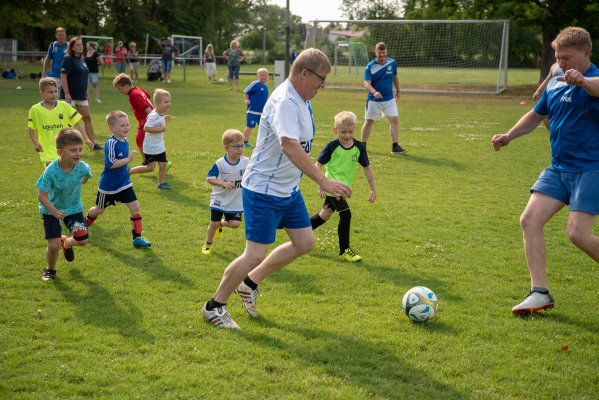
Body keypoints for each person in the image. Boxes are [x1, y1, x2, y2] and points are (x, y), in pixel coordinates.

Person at [201, 48, 352, 329]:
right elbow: (289, 145)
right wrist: (323, 180)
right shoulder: (285, 101)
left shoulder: (302, 99)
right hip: (263, 190)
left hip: (287, 190)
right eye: (321, 79)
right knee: (255, 254)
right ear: (305, 73)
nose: (323, 85)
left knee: (305, 243)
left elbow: (298, 146)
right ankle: (215, 306)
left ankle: (248, 284)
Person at [491, 26, 599, 315]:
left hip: (590, 169)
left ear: (586, 53)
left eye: (567, 58)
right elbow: (535, 115)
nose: (560, 63)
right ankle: (539, 292)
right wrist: (509, 136)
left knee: (577, 234)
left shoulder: (593, 80)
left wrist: (585, 83)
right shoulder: (554, 81)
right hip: (558, 169)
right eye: (557, 57)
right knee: (529, 220)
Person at [310, 111, 376, 262]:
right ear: (335, 130)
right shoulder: (332, 146)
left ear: (355, 129)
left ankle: (299, 232)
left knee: (324, 216)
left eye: (350, 131)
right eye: (343, 132)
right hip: (332, 188)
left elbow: (367, 168)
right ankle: (345, 250)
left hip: (343, 189)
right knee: (346, 215)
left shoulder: (359, 147)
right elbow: (317, 165)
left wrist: (373, 189)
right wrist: (322, 184)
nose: (347, 135)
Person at [85, 111, 152, 248]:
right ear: (112, 128)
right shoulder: (111, 143)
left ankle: (137, 238)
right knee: (99, 209)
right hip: (108, 186)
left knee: (135, 207)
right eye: (122, 125)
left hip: (124, 183)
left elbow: (121, 160)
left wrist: (127, 166)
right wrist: (127, 159)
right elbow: (111, 164)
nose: (126, 128)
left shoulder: (125, 140)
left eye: (127, 124)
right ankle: (83, 226)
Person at [36, 128, 92, 281]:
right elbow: (42, 196)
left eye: (80, 149)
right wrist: (54, 212)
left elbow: (86, 176)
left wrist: (81, 181)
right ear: (60, 152)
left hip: (73, 208)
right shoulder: (51, 171)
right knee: (53, 246)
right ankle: (50, 270)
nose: (78, 153)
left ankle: (66, 242)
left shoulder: (82, 167)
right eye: (73, 150)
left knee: (83, 240)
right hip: (51, 210)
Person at [201, 129, 249, 255]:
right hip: (219, 198)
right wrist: (223, 183)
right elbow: (210, 178)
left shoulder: (246, 162)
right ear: (226, 148)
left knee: (236, 224)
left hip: (235, 200)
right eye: (236, 146)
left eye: (242, 146)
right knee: (213, 223)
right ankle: (207, 244)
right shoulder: (220, 164)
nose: (240, 149)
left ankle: (221, 224)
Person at [28, 78, 93, 166]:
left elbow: (77, 123)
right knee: (53, 175)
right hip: (47, 150)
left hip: (65, 148)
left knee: (66, 175)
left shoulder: (64, 106)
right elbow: (31, 128)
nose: (54, 94)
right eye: (50, 92)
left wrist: (87, 139)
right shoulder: (35, 109)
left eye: (56, 91)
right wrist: (35, 142)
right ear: (41, 93)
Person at [361, 42, 406, 155]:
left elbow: (395, 77)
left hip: (389, 99)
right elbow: (366, 83)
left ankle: (395, 146)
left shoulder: (392, 63)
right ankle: (362, 145)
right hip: (374, 100)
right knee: (369, 121)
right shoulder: (370, 67)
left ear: (387, 52)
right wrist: (374, 92)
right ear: (375, 52)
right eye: (379, 53)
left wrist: (398, 90)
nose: (382, 55)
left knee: (394, 120)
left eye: (384, 53)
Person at [61, 37, 101, 150]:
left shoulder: (82, 59)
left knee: (87, 118)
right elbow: (63, 77)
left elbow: (84, 77)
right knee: (68, 121)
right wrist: (67, 93)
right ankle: (66, 146)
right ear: (72, 47)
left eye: (81, 45)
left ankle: (93, 144)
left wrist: (87, 93)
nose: (80, 47)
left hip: (81, 95)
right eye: (78, 45)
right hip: (70, 95)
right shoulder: (68, 59)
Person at [129, 88, 173, 189]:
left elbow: (156, 119)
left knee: (163, 165)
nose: (169, 104)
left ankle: (161, 183)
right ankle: (129, 172)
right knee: (150, 168)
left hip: (159, 145)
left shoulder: (159, 113)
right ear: (157, 103)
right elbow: (146, 128)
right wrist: (160, 130)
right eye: (166, 102)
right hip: (151, 146)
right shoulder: (154, 115)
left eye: (169, 101)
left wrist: (163, 118)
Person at [113, 73, 154, 163]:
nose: (120, 91)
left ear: (126, 86)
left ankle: (147, 161)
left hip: (146, 120)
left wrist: (152, 120)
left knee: (139, 139)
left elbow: (148, 109)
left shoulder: (134, 94)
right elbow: (147, 96)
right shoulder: (137, 90)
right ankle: (158, 160)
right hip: (146, 119)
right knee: (149, 141)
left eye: (120, 88)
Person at [242, 67, 269, 148]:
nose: (264, 77)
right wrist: (246, 99)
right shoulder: (255, 84)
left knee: (264, 127)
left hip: (262, 112)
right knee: (250, 126)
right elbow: (246, 91)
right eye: (262, 75)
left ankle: (262, 143)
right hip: (253, 111)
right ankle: (245, 141)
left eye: (265, 75)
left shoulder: (266, 87)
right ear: (258, 76)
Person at [533, 61, 563, 130]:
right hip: (554, 95)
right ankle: (555, 134)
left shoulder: (571, 64)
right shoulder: (554, 66)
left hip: (565, 95)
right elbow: (547, 79)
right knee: (545, 117)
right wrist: (538, 91)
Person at [42, 27, 67, 95]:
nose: (61, 36)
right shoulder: (52, 45)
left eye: (63, 34)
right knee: (54, 97)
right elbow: (47, 60)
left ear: (65, 35)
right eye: (59, 35)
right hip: (55, 76)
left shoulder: (70, 46)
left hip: (68, 76)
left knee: (67, 99)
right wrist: (44, 74)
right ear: (56, 35)